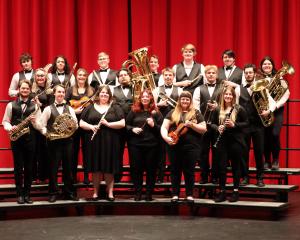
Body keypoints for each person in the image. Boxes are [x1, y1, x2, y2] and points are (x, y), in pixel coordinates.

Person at [80, 85, 125, 201]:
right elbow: (81, 123)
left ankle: (110, 192)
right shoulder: (90, 107)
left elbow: (122, 123)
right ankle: (95, 192)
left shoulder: (115, 107)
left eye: (106, 93)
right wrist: (91, 127)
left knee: (109, 168)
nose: (104, 95)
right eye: (102, 93)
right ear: (98, 95)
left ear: (109, 95)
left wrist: (108, 124)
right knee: (96, 168)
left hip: (110, 142)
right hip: (94, 142)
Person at [161, 91, 207, 202]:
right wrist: (166, 138)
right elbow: (164, 127)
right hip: (174, 146)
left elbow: (204, 129)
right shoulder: (172, 112)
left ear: (190, 101)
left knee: (189, 171)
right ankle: (175, 194)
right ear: (179, 100)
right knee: (175, 170)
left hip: (191, 147)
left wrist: (192, 125)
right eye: (183, 99)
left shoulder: (196, 113)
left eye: (187, 99)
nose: (185, 101)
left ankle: (189, 194)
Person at [2, 79, 41, 204]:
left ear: (30, 90)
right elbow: (5, 121)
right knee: (18, 168)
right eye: (22, 88)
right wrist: (10, 127)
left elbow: (39, 125)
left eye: (27, 89)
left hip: (31, 140)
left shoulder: (35, 106)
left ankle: (27, 194)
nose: (25, 90)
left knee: (29, 168)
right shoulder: (10, 105)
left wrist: (35, 122)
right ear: (19, 89)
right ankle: (19, 194)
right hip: (16, 139)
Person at [39, 84, 78, 203]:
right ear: (54, 94)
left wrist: (69, 128)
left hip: (67, 142)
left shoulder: (70, 109)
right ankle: (53, 192)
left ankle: (69, 192)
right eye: (58, 92)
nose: (61, 94)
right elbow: (41, 125)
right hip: (54, 143)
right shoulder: (47, 109)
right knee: (53, 168)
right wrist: (47, 134)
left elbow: (76, 124)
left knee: (68, 168)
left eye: (62, 92)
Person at [210, 86, 248, 202]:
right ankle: (222, 191)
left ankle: (235, 191)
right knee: (222, 167)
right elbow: (211, 123)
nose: (228, 96)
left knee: (236, 167)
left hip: (235, 141)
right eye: (226, 94)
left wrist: (234, 125)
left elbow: (247, 123)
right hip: (222, 142)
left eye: (230, 94)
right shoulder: (217, 110)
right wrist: (218, 128)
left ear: (233, 96)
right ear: (223, 96)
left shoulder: (239, 109)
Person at [126, 89, 163, 201]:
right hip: (135, 145)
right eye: (143, 97)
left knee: (151, 170)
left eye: (147, 96)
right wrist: (133, 129)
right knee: (136, 169)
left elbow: (162, 129)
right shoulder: (134, 111)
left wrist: (153, 125)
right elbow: (126, 125)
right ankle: (138, 193)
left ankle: (148, 194)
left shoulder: (156, 112)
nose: (145, 98)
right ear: (140, 99)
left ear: (151, 98)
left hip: (152, 146)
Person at [193, 65, 222, 184]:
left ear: (216, 75)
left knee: (217, 151)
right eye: (208, 73)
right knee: (202, 152)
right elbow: (195, 107)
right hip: (203, 125)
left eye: (213, 73)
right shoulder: (199, 89)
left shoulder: (222, 88)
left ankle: (215, 176)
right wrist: (202, 121)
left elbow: (227, 104)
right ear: (205, 75)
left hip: (217, 125)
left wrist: (218, 107)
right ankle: (204, 176)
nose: (211, 75)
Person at [260, 56, 290, 170]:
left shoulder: (280, 78)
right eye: (264, 64)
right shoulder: (258, 78)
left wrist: (272, 108)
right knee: (265, 136)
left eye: (269, 64)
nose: (267, 66)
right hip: (263, 111)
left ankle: (276, 160)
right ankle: (267, 161)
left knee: (275, 134)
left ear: (272, 66)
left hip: (276, 111)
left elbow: (286, 95)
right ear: (261, 66)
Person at [65, 68, 95, 184]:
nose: (81, 77)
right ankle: (73, 176)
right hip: (73, 123)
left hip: (87, 123)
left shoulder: (91, 90)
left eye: (83, 75)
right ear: (76, 77)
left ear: (86, 77)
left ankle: (87, 176)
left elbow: (94, 105)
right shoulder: (70, 89)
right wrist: (74, 111)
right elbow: (65, 104)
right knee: (73, 150)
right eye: (79, 75)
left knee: (88, 150)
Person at [154, 67, 182, 182]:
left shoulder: (179, 90)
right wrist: (158, 104)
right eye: (166, 75)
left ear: (173, 77)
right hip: (161, 123)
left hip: (175, 123)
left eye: (170, 75)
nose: (168, 77)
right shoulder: (156, 90)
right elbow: (152, 107)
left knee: (175, 151)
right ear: (163, 76)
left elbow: (183, 106)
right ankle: (160, 177)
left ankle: (174, 178)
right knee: (160, 151)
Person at [30, 68, 54, 184]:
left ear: (46, 77)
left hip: (45, 124)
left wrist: (40, 105)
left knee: (45, 151)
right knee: (33, 150)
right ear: (35, 77)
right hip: (33, 124)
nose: (40, 77)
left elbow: (51, 106)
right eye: (38, 76)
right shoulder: (31, 90)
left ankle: (44, 176)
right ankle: (33, 176)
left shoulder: (50, 91)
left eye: (42, 76)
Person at [113, 68, 134, 182]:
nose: (123, 76)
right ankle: (117, 177)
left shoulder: (136, 89)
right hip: (118, 127)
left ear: (130, 76)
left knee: (134, 153)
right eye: (121, 75)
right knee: (117, 152)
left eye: (125, 74)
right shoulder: (112, 90)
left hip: (133, 125)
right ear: (118, 78)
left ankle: (134, 178)